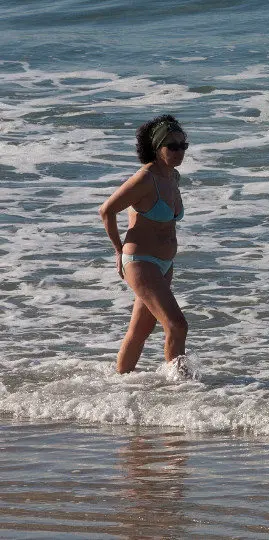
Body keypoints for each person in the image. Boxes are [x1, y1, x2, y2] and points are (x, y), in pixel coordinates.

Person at [99, 114, 190, 374]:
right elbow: (107, 210)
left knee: (140, 330)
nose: (179, 152)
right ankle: (181, 388)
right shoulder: (145, 179)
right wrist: (118, 251)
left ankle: (119, 380)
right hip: (141, 261)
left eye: (183, 145)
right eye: (172, 146)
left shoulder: (173, 177)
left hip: (164, 264)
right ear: (156, 147)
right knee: (177, 325)